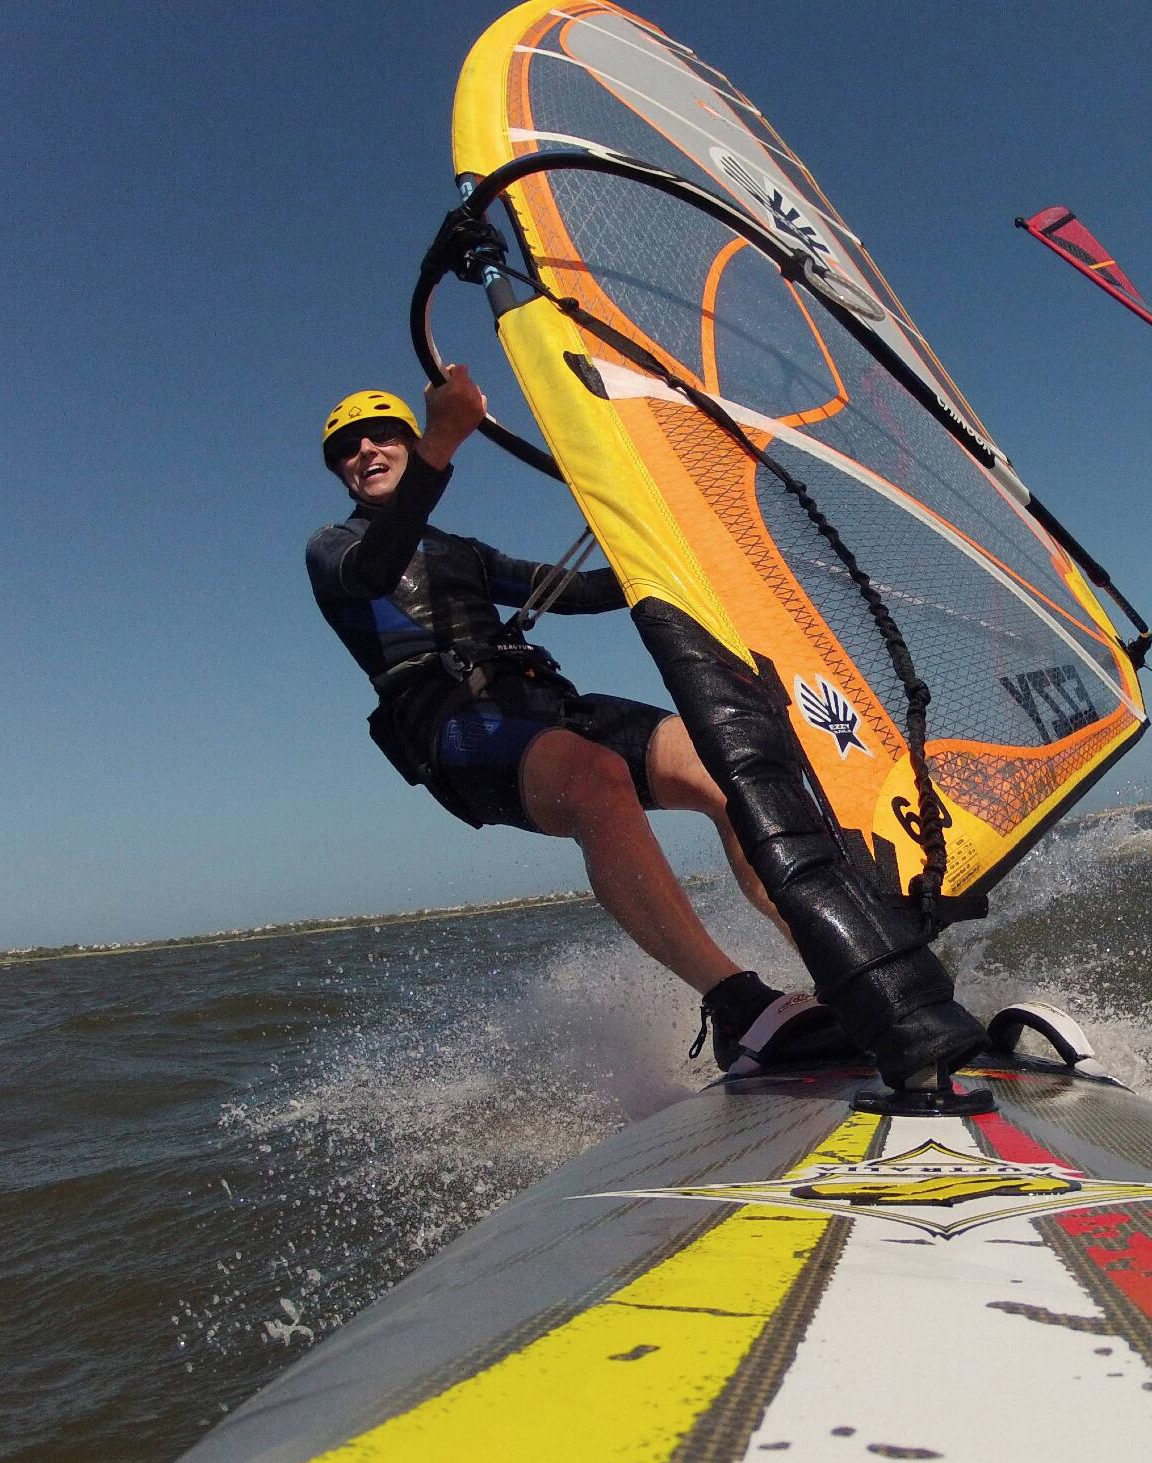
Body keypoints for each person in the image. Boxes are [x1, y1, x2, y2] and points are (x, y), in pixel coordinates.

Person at [306, 364, 825, 1067]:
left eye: (382, 436)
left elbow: (577, 589)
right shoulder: (332, 548)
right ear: (340, 471)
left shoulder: (462, 551)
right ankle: (739, 1007)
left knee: (726, 764)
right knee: (596, 776)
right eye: (348, 447)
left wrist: (686, 549)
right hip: (454, 726)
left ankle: (839, 962)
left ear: (403, 440)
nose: (366, 450)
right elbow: (373, 570)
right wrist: (442, 441)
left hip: (543, 702)